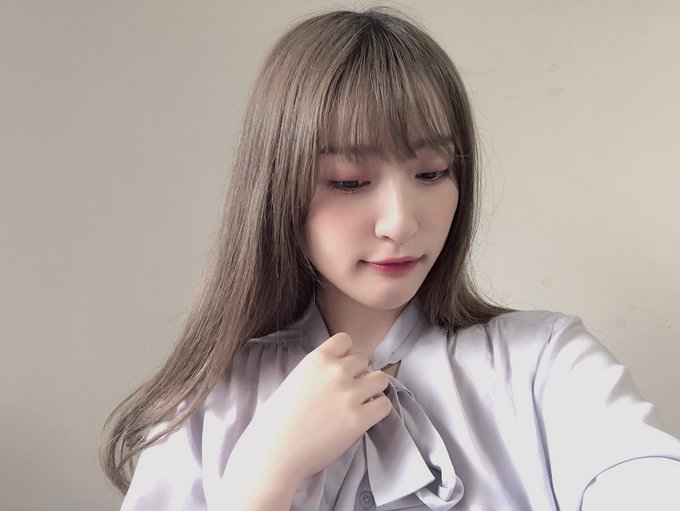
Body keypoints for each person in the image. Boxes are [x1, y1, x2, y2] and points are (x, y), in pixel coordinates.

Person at [100, 7, 680, 510]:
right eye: (349, 181)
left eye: (432, 173)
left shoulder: (546, 366)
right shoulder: (208, 405)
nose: (401, 222)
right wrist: (264, 475)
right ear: (276, 190)